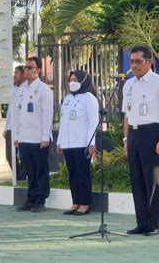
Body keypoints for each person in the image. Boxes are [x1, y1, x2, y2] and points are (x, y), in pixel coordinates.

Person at [122, 45, 159, 236]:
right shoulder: (128, 85)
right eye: (132, 61)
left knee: (152, 181)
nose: (134, 65)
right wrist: (126, 140)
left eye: (138, 61)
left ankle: (154, 224)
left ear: (149, 62)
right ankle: (141, 222)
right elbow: (127, 115)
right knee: (136, 181)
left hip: (152, 133)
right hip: (134, 135)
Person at [14, 56, 54, 213]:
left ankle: (40, 199)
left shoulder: (44, 89)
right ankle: (30, 199)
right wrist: (16, 136)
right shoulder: (21, 90)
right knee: (29, 170)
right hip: (24, 137)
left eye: (30, 67)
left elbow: (47, 114)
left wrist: (45, 136)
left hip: (38, 138)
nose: (27, 70)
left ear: (38, 70)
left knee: (40, 170)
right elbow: (17, 114)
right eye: (25, 67)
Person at [57, 70, 99, 216]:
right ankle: (76, 202)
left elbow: (94, 121)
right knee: (72, 174)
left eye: (75, 79)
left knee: (83, 174)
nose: (72, 82)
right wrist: (59, 142)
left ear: (83, 81)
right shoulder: (67, 98)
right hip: (68, 143)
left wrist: (91, 142)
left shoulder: (89, 98)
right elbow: (63, 121)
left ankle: (85, 203)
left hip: (82, 143)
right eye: (70, 79)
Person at [3, 65, 26, 181]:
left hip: (23, 127)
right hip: (12, 127)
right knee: (9, 154)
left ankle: (21, 177)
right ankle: (18, 176)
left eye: (16, 73)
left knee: (24, 155)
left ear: (23, 74)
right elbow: (10, 110)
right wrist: (6, 128)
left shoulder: (27, 88)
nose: (14, 75)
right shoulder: (13, 89)